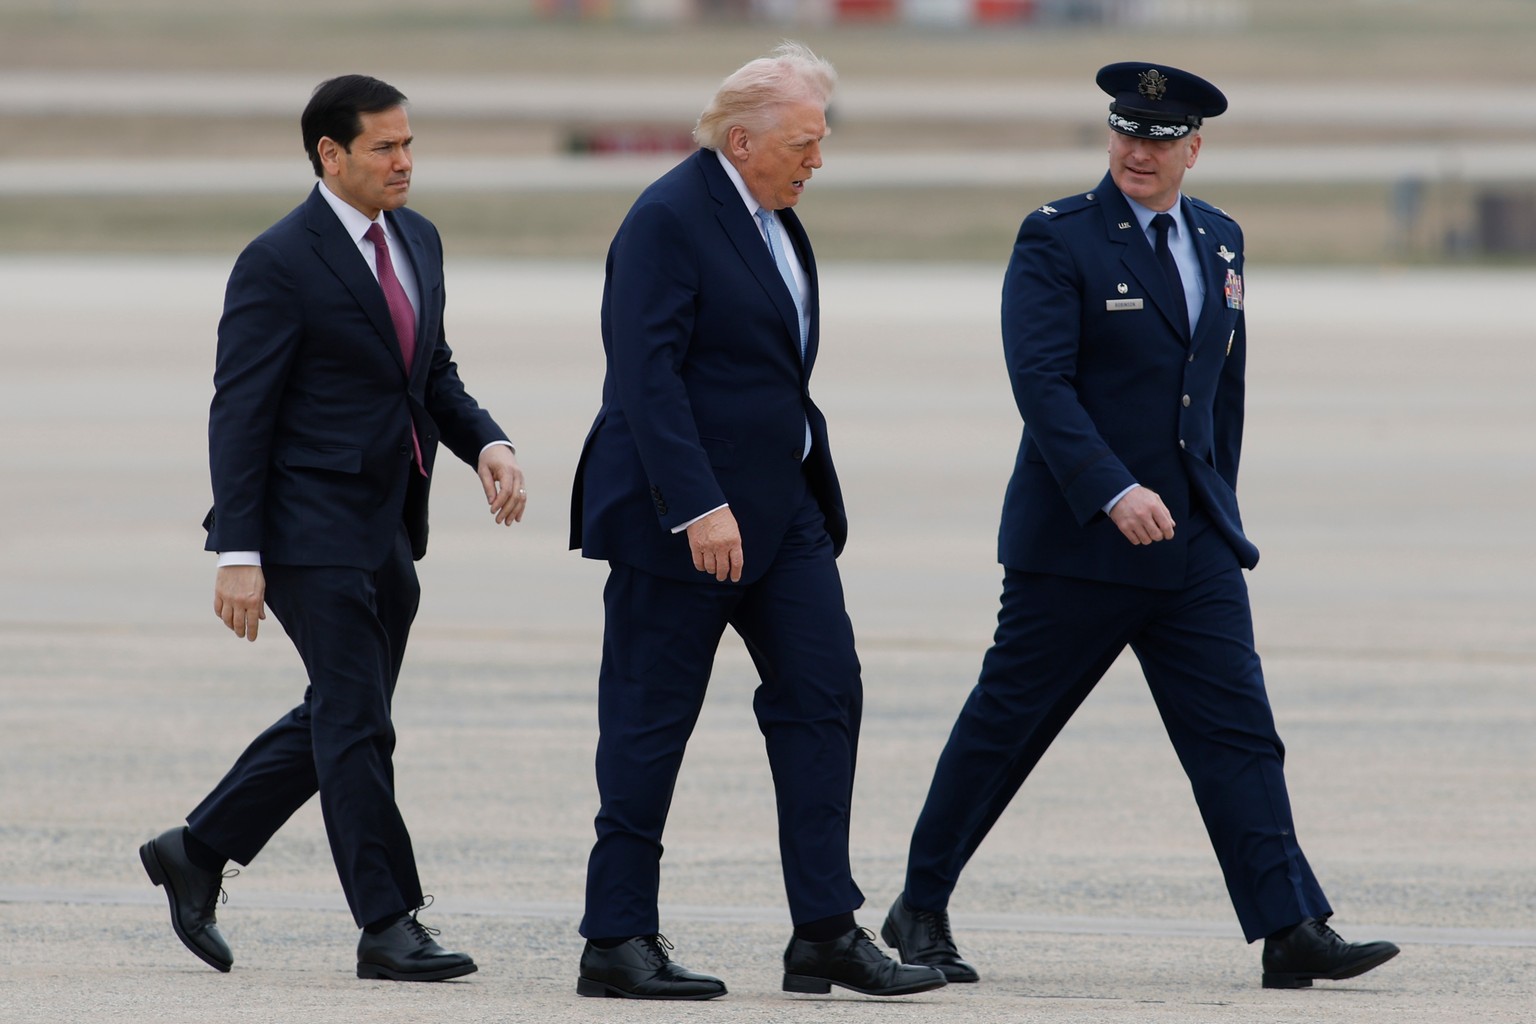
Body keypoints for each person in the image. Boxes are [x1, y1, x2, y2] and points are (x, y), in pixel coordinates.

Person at [879, 62, 1401, 991]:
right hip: (1081, 539)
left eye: (1159, 139)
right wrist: (1113, 489)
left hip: (1191, 540)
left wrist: (1218, 505)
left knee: (1240, 730)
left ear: (1193, 148)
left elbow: (1221, 392)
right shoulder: (1057, 239)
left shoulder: (1222, 240)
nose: (1137, 152)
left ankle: (1291, 926)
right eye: (1124, 133)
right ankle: (920, 905)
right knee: (1008, 727)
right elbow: (1042, 386)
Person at [568, 42, 945, 1001]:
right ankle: (615, 939)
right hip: (681, 519)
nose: (817, 162)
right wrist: (698, 502)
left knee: (825, 697)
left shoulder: (776, 215)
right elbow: (643, 379)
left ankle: (823, 930)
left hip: (785, 516)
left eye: (820, 143)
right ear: (742, 139)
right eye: (803, 145)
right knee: (650, 727)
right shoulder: (667, 219)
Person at [139, 74, 526, 983]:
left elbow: (429, 373)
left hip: (388, 521)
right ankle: (388, 924)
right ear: (331, 154)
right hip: (304, 530)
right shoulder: (279, 260)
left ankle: (197, 848)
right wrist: (240, 554)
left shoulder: (418, 240)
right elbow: (240, 413)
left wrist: (489, 445)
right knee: (357, 723)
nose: (405, 162)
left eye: (409, 143)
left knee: (343, 715)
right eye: (386, 147)